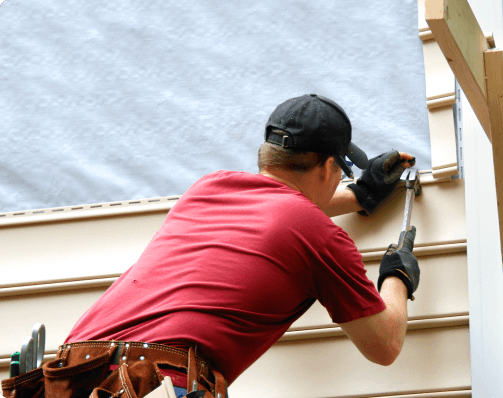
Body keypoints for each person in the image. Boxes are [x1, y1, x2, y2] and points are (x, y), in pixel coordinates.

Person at [1, 94, 420, 398]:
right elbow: (384, 345)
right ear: (330, 167)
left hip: (72, 373)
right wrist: (397, 276)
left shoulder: (208, 189)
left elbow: (274, 218)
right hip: (153, 382)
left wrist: (360, 196)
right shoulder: (319, 236)